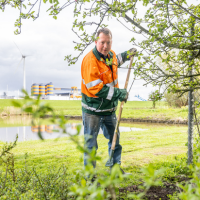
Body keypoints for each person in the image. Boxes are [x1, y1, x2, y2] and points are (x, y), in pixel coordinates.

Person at [81, 28, 136, 174]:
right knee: (90, 145)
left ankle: (115, 168)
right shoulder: (90, 61)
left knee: (115, 139)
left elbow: (116, 61)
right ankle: (90, 177)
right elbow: (97, 89)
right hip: (92, 111)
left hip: (109, 110)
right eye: (102, 42)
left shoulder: (110, 55)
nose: (105, 46)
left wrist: (127, 54)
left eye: (108, 42)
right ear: (96, 42)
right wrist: (119, 94)